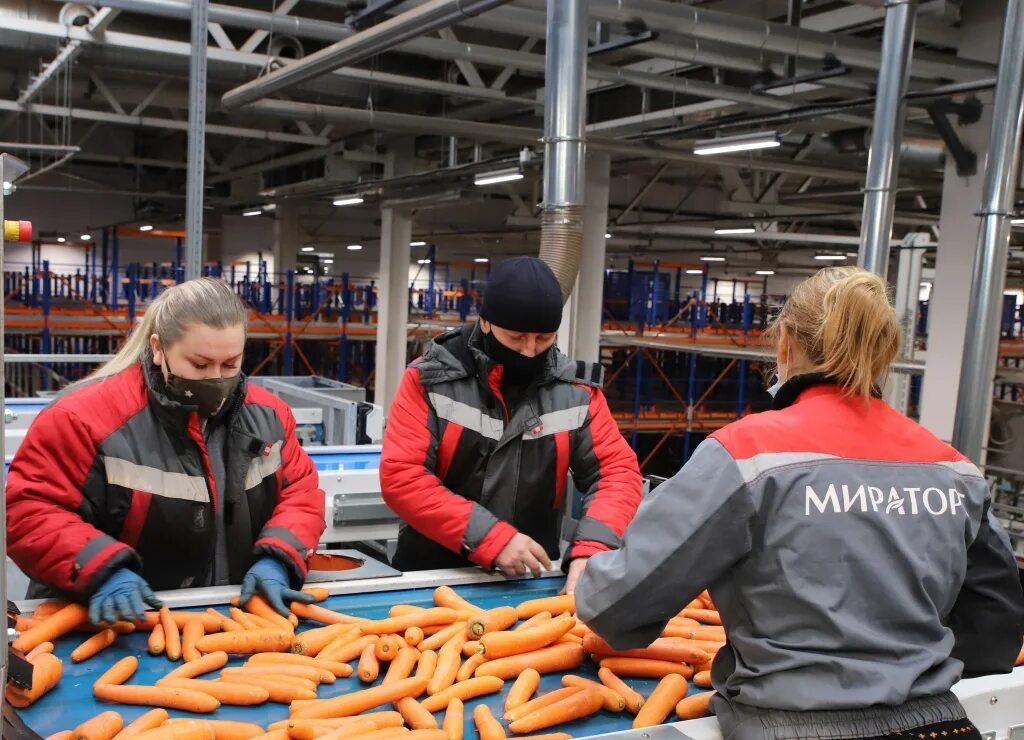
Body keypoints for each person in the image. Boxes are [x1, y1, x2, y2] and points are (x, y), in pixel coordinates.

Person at [576, 266, 1024, 740]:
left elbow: (617, 606)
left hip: (791, 728)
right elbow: (996, 624)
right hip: (937, 728)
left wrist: (593, 567)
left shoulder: (746, 455)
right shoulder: (952, 468)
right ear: (883, 354)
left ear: (785, 344)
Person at [6, 278, 326, 624]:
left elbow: (301, 492)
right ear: (158, 349)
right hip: (106, 621)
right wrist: (97, 565)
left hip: (229, 618)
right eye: (200, 365)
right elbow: (29, 509)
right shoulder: (83, 418)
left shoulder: (269, 417)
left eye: (231, 364)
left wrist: (280, 554)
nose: (216, 379)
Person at [380, 256, 642, 593]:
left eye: (544, 338)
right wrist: (489, 537)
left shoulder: (575, 393)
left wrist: (594, 548)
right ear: (486, 323)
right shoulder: (430, 381)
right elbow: (402, 477)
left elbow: (616, 474)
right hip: (431, 579)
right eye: (516, 338)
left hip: (531, 580)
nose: (530, 351)